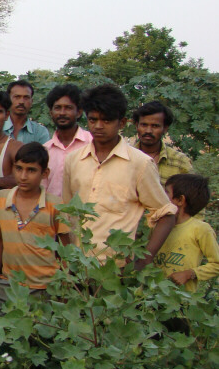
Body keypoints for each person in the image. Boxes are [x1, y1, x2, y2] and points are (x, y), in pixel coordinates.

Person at [61, 84, 176, 264]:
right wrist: (66, 261)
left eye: (106, 121)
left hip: (116, 269)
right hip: (78, 269)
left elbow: (166, 214)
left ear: (121, 123)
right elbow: (66, 212)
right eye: (93, 120)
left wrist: (142, 261)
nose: (98, 126)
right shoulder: (73, 160)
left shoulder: (140, 163)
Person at [0, 143, 71, 304]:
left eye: (31, 170)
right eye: (19, 168)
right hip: (8, 282)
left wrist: (64, 279)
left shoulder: (56, 205)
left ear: (45, 173)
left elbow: (65, 247)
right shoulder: (1, 198)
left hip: (44, 286)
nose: (23, 176)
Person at [155, 174, 219, 292]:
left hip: (182, 300)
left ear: (180, 200)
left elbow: (217, 264)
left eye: (166, 193)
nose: (161, 197)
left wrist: (189, 274)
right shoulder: (158, 226)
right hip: (151, 296)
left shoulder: (201, 229)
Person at [42, 84, 90, 197]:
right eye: (57, 108)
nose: (62, 113)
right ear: (51, 113)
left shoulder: (92, 144)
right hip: (52, 212)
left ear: (78, 112)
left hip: (83, 212)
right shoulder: (45, 150)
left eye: (68, 108)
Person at [130, 101, 193, 185]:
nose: (148, 131)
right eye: (144, 125)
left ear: (165, 128)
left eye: (155, 126)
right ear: (137, 126)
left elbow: (191, 195)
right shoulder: (125, 158)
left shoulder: (180, 162)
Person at [4, 80, 50, 144]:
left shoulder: (40, 132)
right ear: (8, 100)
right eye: (17, 97)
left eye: (26, 97)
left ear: (32, 101)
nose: (21, 102)